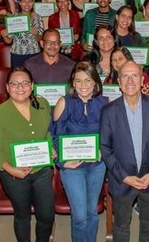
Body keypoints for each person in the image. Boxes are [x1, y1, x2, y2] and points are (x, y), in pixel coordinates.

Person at [100, 61, 149, 242]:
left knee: (148, 227)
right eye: (125, 76)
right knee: (121, 227)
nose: (130, 80)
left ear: (142, 80)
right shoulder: (108, 111)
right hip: (122, 180)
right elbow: (106, 149)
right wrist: (124, 177)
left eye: (134, 76)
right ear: (119, 81)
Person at [0, 67, 54, 242]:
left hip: (42, 170)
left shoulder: (43, 104)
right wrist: (11, 169)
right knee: (22, 216)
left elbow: (47, 133)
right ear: (7, 87)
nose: (20, 87)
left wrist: (51, 147)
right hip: (13, 174)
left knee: (46, 216)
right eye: (14, 84)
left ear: (32, 86)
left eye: (25, 83)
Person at [52, 62, 109, 242]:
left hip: (97, 165)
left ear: (95, 83)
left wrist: (102, 150)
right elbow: (54, 137)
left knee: (92, 212)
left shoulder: (105, 103)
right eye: (78, 81)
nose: (83, 85)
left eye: (87, 80)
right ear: (73, 84)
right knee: (79, 215)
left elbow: (111, 135)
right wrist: (62, 162)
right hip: (72, 167)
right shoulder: (64, 102)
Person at [1, 0, 43, 67]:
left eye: (29, 1)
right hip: (17, 54)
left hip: (34, 54)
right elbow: (9, 41)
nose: (27, 4)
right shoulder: (13, 18)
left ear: (33, 3)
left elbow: (40, 39)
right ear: (20, 3)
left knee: (33, 78)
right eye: (24, 1)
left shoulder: (38, 18)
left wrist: (36, 34)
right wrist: (4, 36)